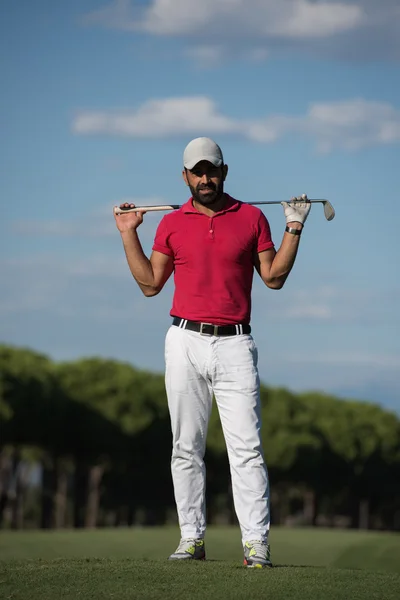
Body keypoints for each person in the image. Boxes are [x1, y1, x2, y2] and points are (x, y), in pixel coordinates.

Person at [114, 137, 311, 568]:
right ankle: (191, 540)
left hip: (236, 343)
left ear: (225, 171)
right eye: (197, 171)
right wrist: (129, 234)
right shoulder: (171, 223)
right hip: (184, 341)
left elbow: (273, 277)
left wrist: (293, 227)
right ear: (185, 176)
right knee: (185, 447)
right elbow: (150, 284)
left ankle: (256, 544)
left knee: (247, 449)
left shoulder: (252, 217)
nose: (206, 178)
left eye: (213, 170)